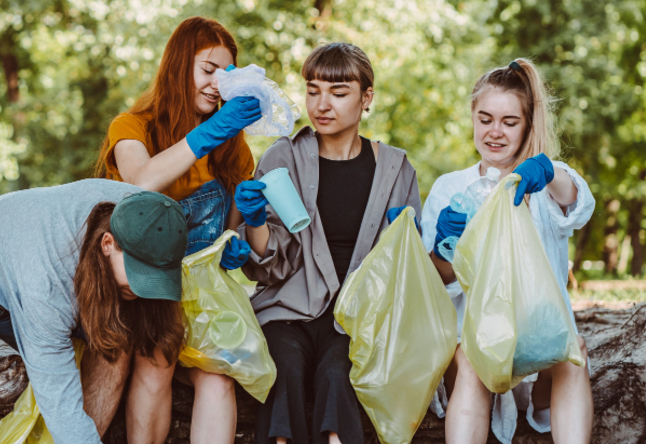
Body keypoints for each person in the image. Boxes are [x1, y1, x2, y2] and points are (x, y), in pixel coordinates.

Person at [0, 181, 189, 444]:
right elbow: (58, 396)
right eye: (137, 276)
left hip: (26, 276)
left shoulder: (159, 219)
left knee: (117, 338)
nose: (141, 291)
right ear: (108, 244)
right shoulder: (46, 277)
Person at [236, 42, 421, 444]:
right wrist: (254, 223)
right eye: (313, 89)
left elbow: (405, 268)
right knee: (283, 370)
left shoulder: (395, 168)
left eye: (339, 93)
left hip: (355, 318)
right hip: (286, 310)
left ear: (366, 97)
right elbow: (272, 267)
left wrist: (410, 244)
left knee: (339, 372)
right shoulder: (282, 158)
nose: (322, 104)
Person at [98, 16, 261, 444]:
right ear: (177, 66)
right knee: (158, 359)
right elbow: (140, 182)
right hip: (138, 286)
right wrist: (208, 134)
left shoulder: (235, 147)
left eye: (226, 76)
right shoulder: (131, 126)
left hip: (201, 293)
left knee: (219, 378)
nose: (216, 85)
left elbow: (227, 228)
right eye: (207, 70)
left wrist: (238, 236)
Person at [420, 59, 595, 444]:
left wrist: (548, 170)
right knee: (470, 355)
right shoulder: (452, 188)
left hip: (539, 336)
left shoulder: (545, 183)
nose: (494, 132)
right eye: (485, 119)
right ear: (472, 118)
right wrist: (445, 248)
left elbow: (579, 204)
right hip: (477, 340)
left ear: (528, 125)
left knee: (572, 353)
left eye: (509, 122)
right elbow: (437, 283)